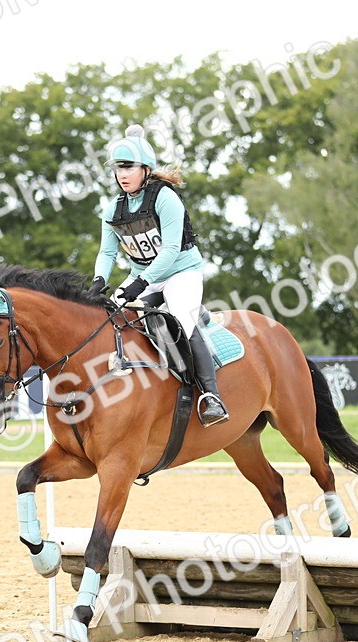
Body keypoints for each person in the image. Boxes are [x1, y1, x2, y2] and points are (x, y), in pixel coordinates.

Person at [88, 124, 229, 427]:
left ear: (146, 169)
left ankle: (210, 395)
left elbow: (170, 251)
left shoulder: (166, 198)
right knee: (107, 316)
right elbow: (107, 253)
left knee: (179, 315)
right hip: (144, 276)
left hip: (181, 272)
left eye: (128, 167)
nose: (122, 174)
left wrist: (140, 283)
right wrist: (99, 280)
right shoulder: (114, 208)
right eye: (118, 168)